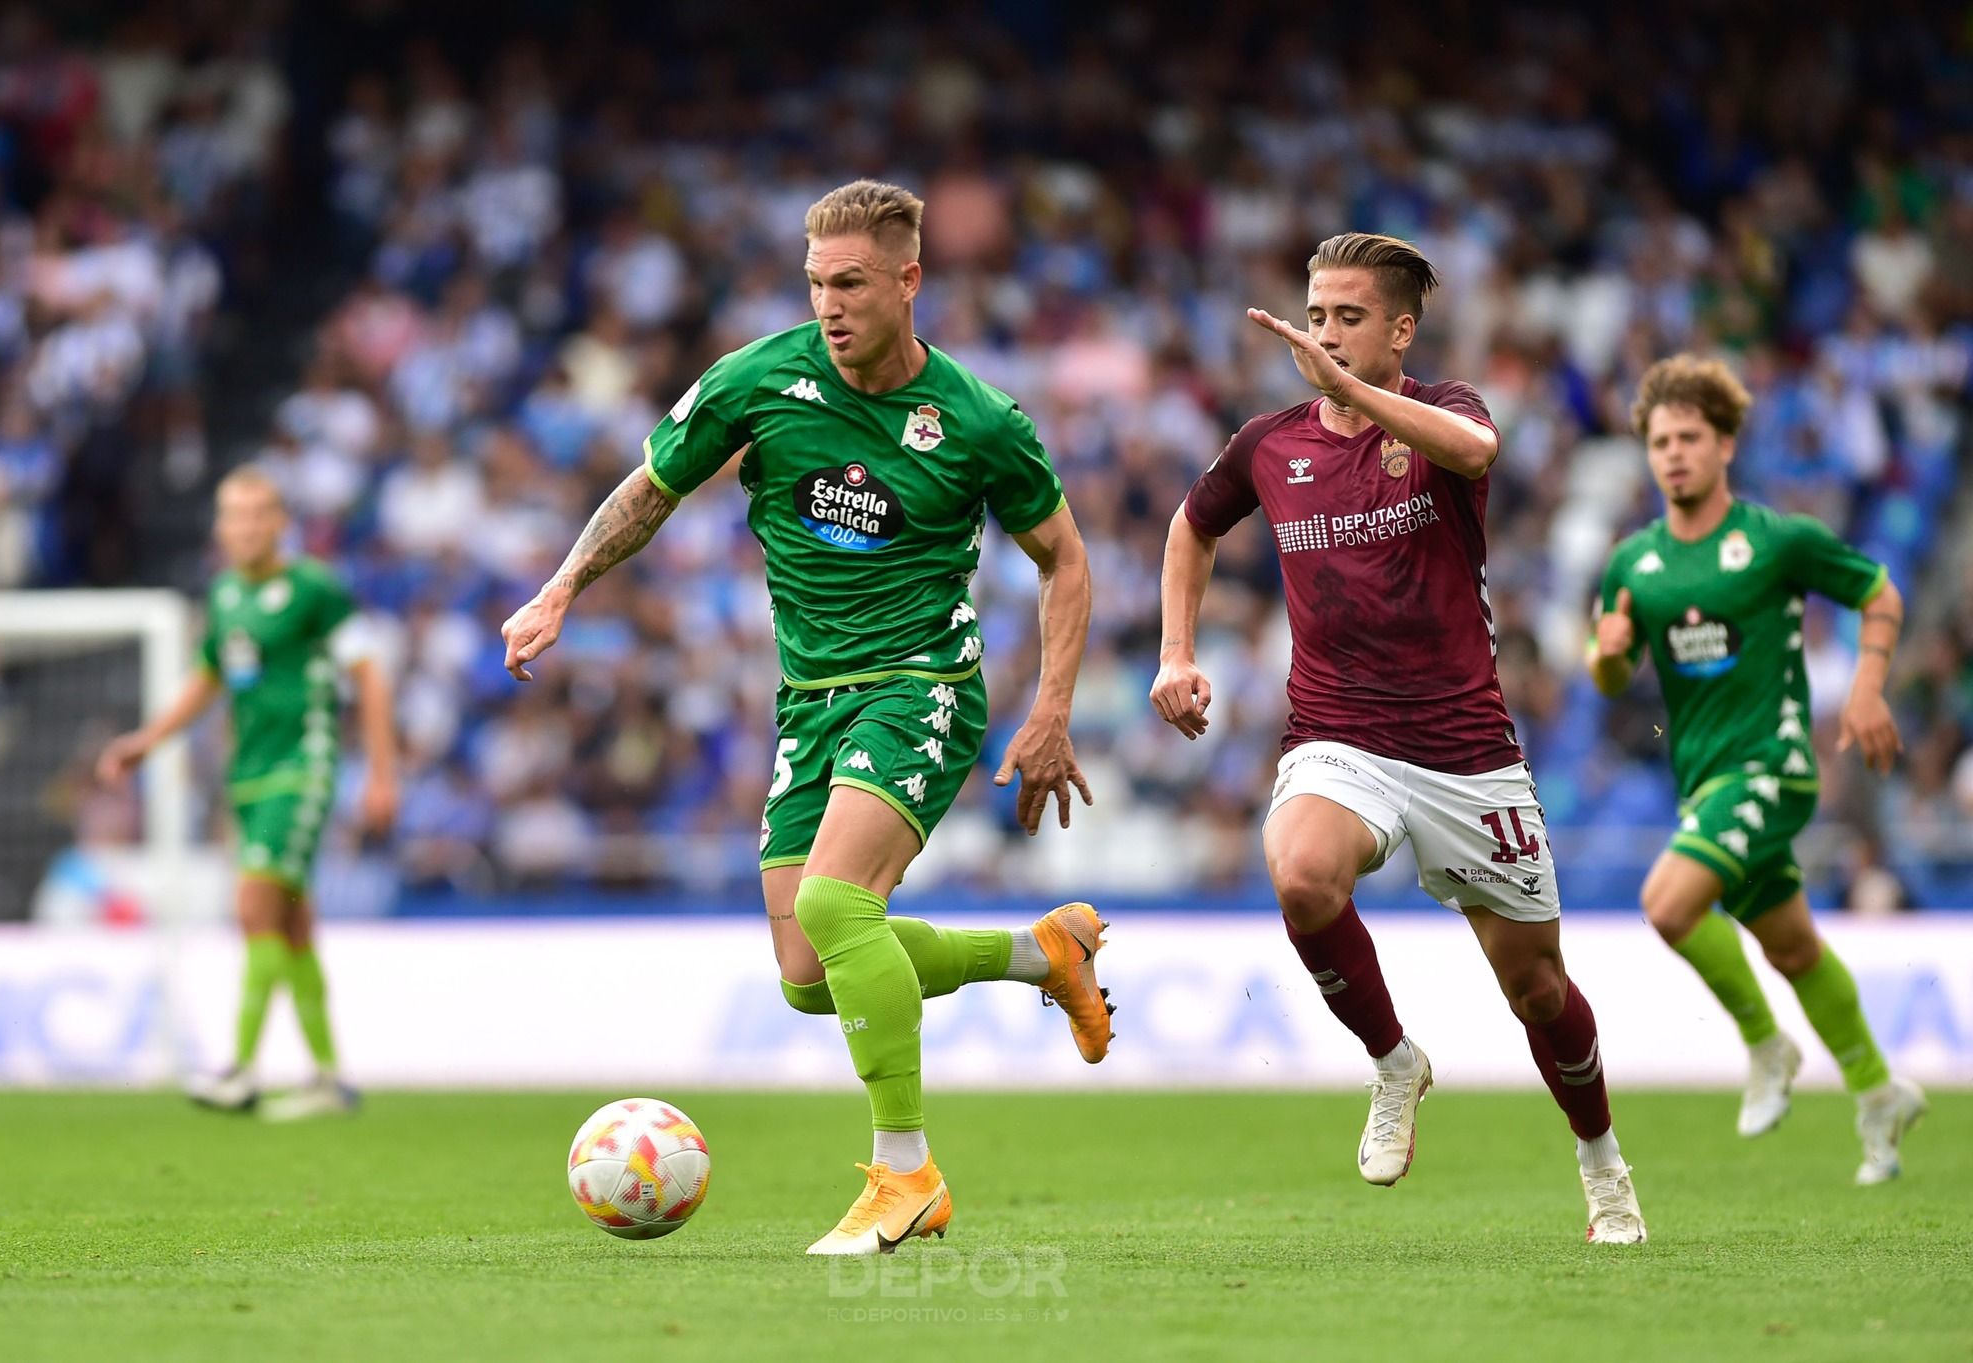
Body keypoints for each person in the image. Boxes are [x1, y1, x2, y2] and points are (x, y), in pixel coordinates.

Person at [500, 180, 1111, 1256]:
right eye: (815, 283)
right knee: (807, 975)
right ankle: (1041, 955)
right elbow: (651, 487)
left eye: (851, 283)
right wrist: (561, 587)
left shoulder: (974, 420)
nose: (828, 305)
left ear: (908, 281)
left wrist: (1050, 705)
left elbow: (1064, 559)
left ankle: (906, 1174)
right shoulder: (758, 379)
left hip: (919, 684)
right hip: (808, 701)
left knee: (835, 904)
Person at [1151, 232, 1645, 1244]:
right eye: (1314, 312)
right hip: (1339, 735)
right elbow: (1191, 527)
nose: (1322, 332)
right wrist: (1174, 649)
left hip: (1467, 751)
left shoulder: (1445, 412)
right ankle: (1392, 1059)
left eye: (1346, 316)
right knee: (1297, 874)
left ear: (1399, 330)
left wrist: (1348, 388)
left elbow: (1476, 453)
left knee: (1537, 991)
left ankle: (1601, 1165)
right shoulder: (1269, 444)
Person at [1588, 354, 1926, 1183]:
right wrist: (1606, 655)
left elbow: (1880, 595)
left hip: (1773, 767)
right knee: (1796, 948)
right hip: (1705, 783)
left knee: (1666, 904)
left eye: (1690, 437)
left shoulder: (1777, 541)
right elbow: (1608, 674)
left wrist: (1869, 688)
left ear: (1726, 443)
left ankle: (1766, 1045)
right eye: (1660, 440)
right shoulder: (1633, 562)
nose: (1673, 453)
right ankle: (1879, 1092)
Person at [98, 466, 398, 1120]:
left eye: (260, 512)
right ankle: (327, 1077)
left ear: (281, 522)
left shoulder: (315, 588)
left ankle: (238, 1069)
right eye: (235, 514)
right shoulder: (227, 594)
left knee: (254, 904)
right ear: (221, 526)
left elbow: (369, 676)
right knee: (290, 924)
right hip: (250, 773)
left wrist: (381, 773)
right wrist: (148, 740)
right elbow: (207, 679)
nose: (248, 525)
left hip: (304, 763)